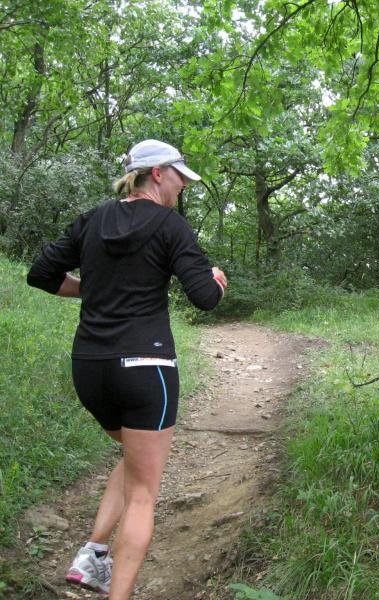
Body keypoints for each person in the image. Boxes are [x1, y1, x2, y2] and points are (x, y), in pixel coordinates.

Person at [27, 139, 228, 599]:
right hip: (146, 369)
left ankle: (93, 553)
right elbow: (204, 297)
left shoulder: (92, 219)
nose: (182, 185)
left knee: (134, 460)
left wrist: (97, 288)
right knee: (143, 492)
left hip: (90, 368)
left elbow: (41, 273)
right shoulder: (170, 225)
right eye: (179, 176)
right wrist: (217, 281)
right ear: (157, 173)